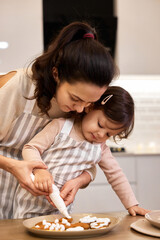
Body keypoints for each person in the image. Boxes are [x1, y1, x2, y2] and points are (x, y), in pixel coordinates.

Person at [0, 21, 118, 219]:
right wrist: (12, 166)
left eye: (89, 103)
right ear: (56, 74)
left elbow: (88, 157)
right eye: (76, 99)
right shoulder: (19, 85)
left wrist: (79, 181)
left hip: (34, 202)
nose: (81, 109)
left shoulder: (81, 108)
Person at [13, 86, 149, 219]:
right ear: (90, 107)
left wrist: (132, 204)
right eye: (100, 125)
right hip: (30, 203)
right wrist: (39, 170)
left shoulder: (100, 148)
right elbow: (31, 148)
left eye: (108, 134)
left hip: (60, 209)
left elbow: (116, 175)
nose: (101, 134)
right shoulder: (61, 126)